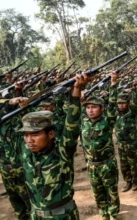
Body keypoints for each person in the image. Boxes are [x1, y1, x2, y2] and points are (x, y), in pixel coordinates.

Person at [3, 72, 89, 219]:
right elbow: (15, 119)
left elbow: (72, 124)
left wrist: (76, 91)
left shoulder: (62, 152)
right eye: (26, 135)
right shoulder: (25, 152)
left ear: (50, 134)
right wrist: (12, 100)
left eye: (35, 134)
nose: (29, 140)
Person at [80, 71, 120, 220]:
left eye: (94, 107)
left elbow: (113, 103)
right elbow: (71, 109)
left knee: (111, 191)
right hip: (91, 165)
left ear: (101, 109)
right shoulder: (83, 121)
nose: (90, 110)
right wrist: (79, 94)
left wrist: (114, 83)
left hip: (107, 164)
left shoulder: (107, 121)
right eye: (88, 107)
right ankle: (103, 213)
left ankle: (114, 213)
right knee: (97, 191)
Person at [114, 92, 137, 192]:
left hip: (131, 144)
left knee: (133, 163)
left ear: (128, 103)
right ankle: (128, 182)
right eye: (119, 103)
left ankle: (135, 182)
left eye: (123, 103)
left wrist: (133, 90)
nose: (121, 105)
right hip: (121, 144)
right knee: (124, 164)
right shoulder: (116, 114)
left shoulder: (132, 113)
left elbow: (135, 104)